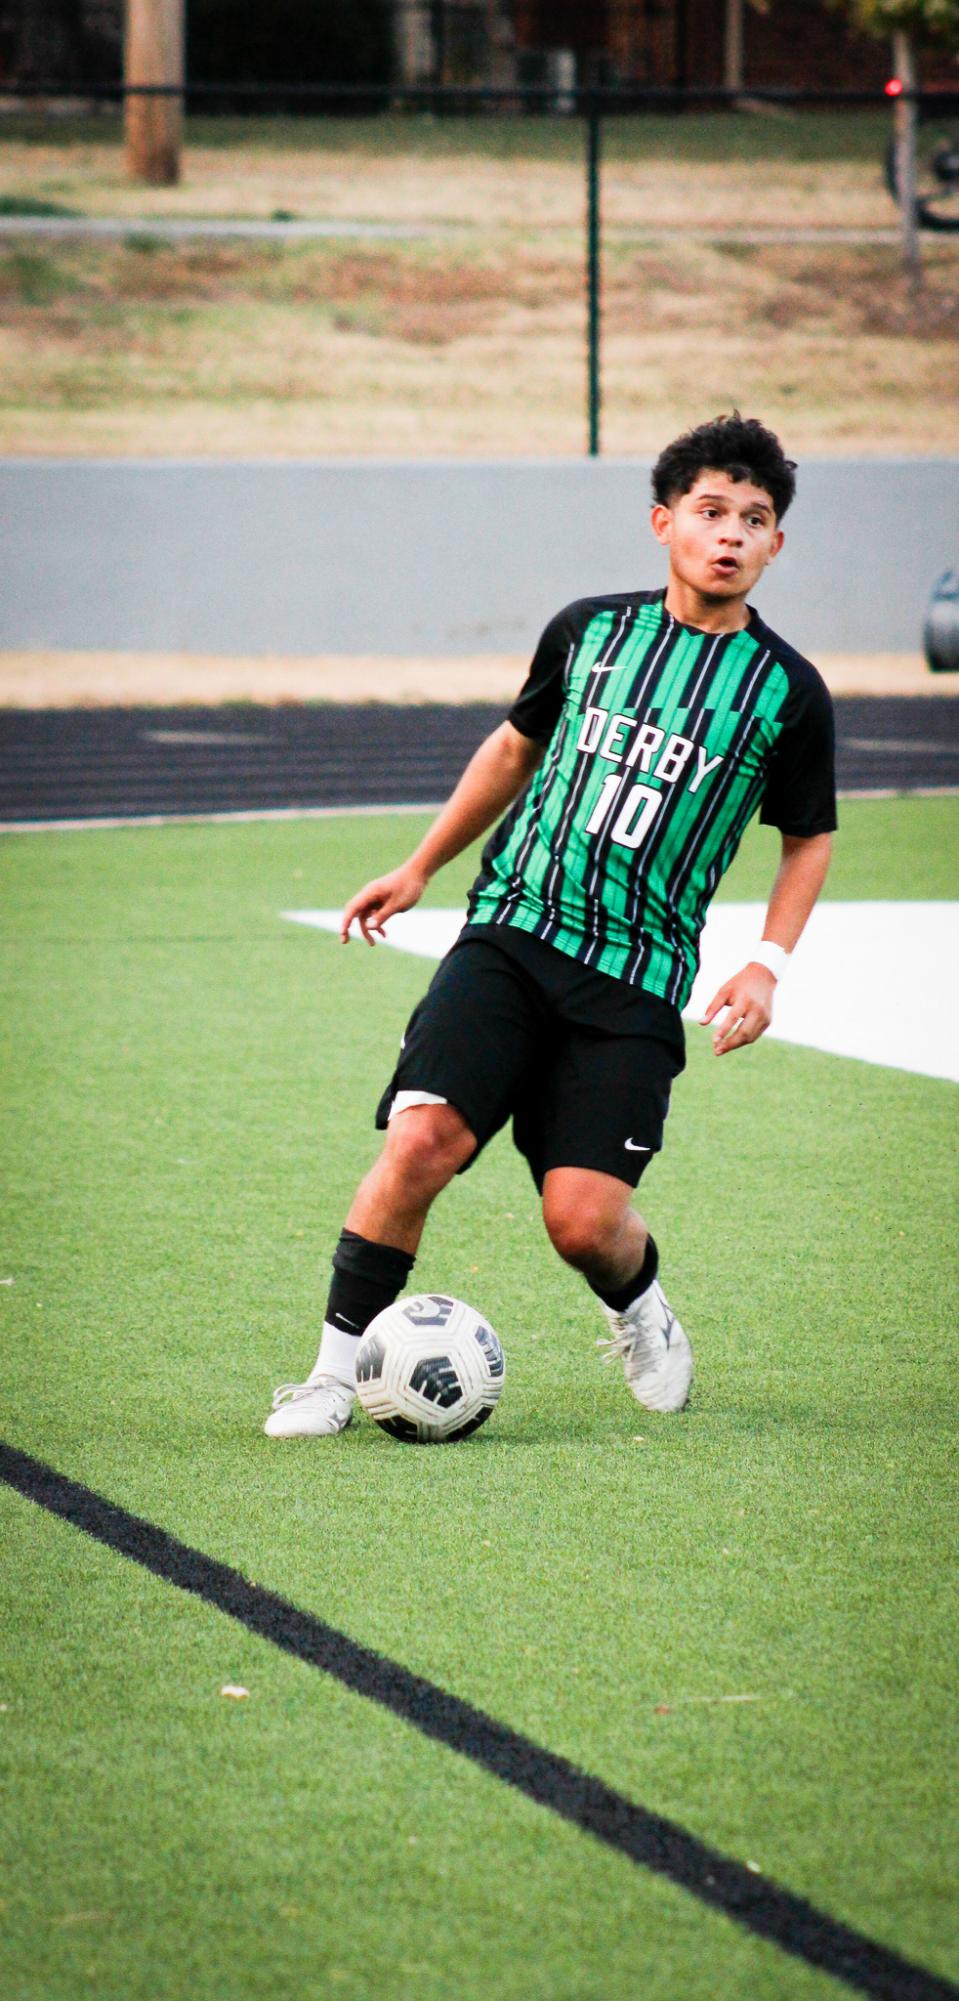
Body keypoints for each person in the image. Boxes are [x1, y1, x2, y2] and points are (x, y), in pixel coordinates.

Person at [265, 412, 835, 1439]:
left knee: (581, 1222)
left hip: (635, 978)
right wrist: (420, 865)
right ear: (662, 522)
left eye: (753, 519)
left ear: (774, 545)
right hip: (512, 934)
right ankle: (329, 1378)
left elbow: (808, 838)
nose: (729, 534)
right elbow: (512, 749)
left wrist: (763, 966)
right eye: (709, 512)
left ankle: (640, 1309)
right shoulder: (588, 631)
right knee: (420, 1141)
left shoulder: (785, 693)